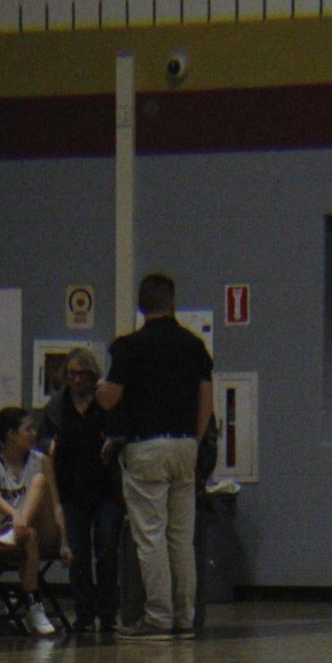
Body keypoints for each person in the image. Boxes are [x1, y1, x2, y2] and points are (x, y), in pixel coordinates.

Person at [95, 272, 214, 640]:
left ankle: (158, 617)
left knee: (150, 536)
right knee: (182, 536)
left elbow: (110, 398)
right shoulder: (195, 346)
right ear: (172, 302)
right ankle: (185, 615)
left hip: (146, 446)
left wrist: (99, 387)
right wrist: (192, 443)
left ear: (141, 307)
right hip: (185, 446)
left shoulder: (130, 347)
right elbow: (206, 405)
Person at [0, 406, 72, 637]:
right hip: (3, 532)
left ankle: (19, 529)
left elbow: (56, 504)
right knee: (27, 535)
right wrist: (15, 517)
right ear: (11, 434)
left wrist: (64, 542)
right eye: (28, 429)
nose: (34, 434)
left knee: (39, 482)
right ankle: (34, 607)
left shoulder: (40, 461)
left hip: (42, 529)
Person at [38, 346, 125, 633]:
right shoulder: (57, 406)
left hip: (105, 488)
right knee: (77, 553)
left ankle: (109, 613)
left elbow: (124, 430)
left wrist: (114, 440)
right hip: (71, 488)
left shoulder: (104, 402)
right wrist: (48, 446)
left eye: (82, 375)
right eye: (72, 375)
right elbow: (43, 439)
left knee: (107, 549)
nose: (77, 381)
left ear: (92, 376)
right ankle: (84, 614)